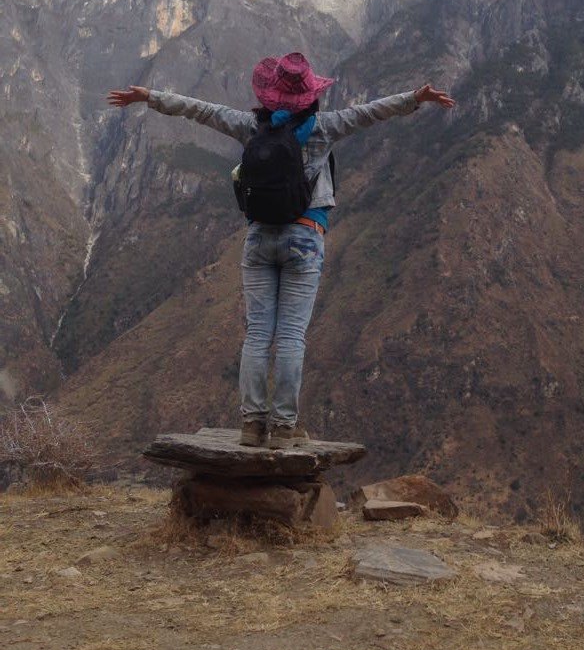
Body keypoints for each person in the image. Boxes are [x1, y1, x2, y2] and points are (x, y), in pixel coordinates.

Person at [108, 53, 454, 448]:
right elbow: (369, 113)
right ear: (309, 96)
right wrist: (415, 97)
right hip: (304, 239)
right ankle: (284, 428)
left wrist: (149, 96)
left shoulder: (250, 128)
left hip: (258, 239)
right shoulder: (323, 128)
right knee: (291, 336)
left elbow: (200, 111)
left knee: (258, 334)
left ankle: (253, 425)